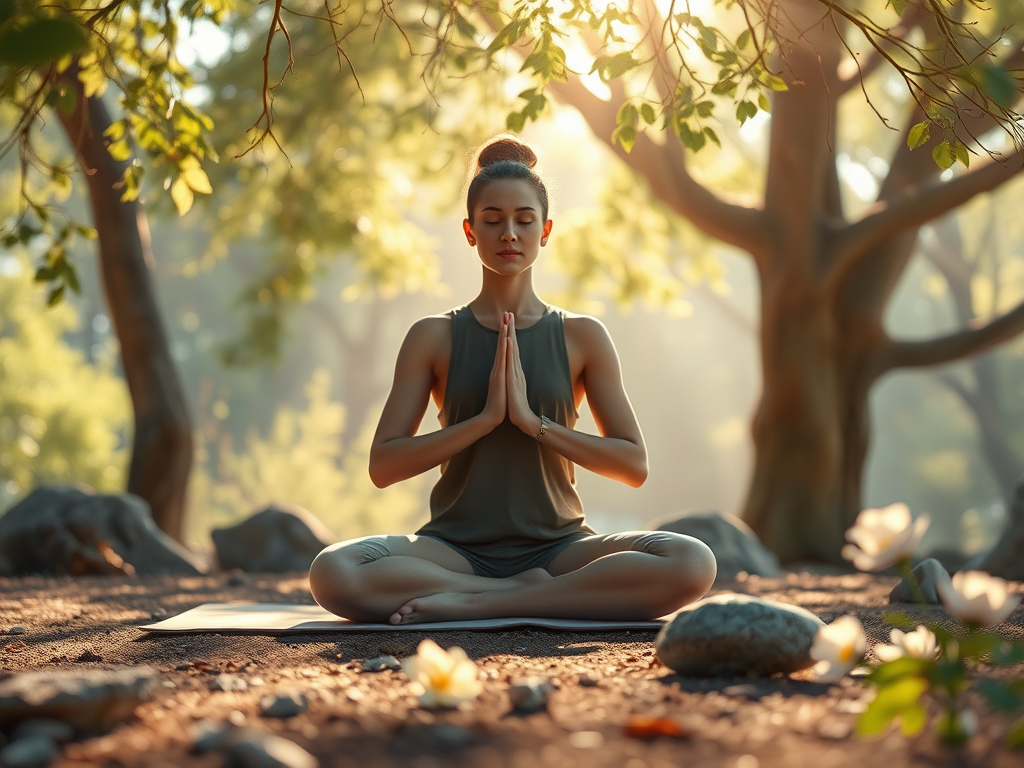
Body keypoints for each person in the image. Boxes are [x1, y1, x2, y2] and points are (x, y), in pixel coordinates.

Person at [308, 136, 716, 625]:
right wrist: (482, 422)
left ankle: (491, 601)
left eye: (524, 221)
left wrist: (532, 423)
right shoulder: (432, 337)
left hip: (560, 547)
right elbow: (383, 465)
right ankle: (518, 593)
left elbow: (633, 464)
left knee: (691, 560)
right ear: (469, 230)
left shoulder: (583, 336)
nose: (508, 234)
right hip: (452, 550)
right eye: (492, 220)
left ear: (544, 231)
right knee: (334, 571)